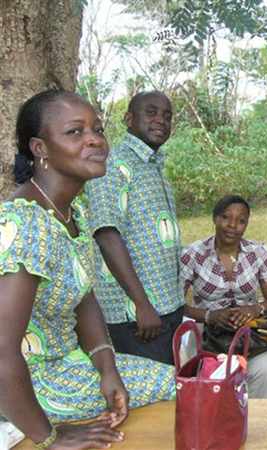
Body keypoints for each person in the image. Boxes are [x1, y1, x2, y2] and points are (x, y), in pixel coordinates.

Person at [0, 90, 175, 449]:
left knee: (186, 383)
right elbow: (2, 350)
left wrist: (108, 369)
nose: (95, 139)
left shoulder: (72, 214)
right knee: (179, 387)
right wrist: (48, 437)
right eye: (75, 132)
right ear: (40, 148)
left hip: (72, 365)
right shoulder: (25, 224)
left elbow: (85, 298)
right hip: (32, 386)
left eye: (97, 129)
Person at [85, 91, 184, 365]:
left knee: (170, 385)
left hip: (167, 305)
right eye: (151, 113)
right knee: (149, 390)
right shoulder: (112, 165)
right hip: (138, 315)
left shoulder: (154, 166)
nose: (160, 120)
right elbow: (106, 234)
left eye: (167, 115)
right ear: (129, 119)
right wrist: (141, 304)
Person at [180, 195, 267, 398]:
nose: (232, 225)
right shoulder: (192, 254)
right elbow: (175, 305)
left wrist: (254, 309)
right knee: (206, 373)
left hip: (249, 333)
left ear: (247, 224)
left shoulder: (259, 253)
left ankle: (258, 417)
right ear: (215, 218)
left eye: (241, 220)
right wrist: (209, 316)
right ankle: (211, 416)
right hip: (207, 333)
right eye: (226, 217)